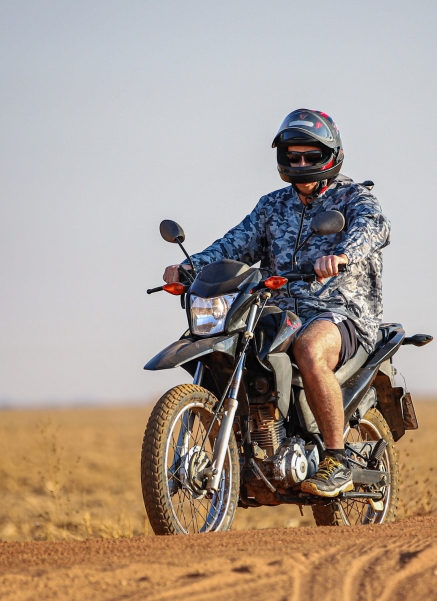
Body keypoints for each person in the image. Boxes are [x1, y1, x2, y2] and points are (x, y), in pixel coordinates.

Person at [163, 109, 390, 499]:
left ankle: (336, 458)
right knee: (234, 342)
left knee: (309, 348)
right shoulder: (272, 207)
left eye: (311, 156)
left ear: (331, 155)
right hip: (278, 310)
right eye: (293, 156)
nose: (300, 164)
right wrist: (191, 266)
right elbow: (233, 244)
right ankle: (244, 454)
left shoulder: (355, 198)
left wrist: (342, 256)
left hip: (340, 310)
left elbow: (374, 228)